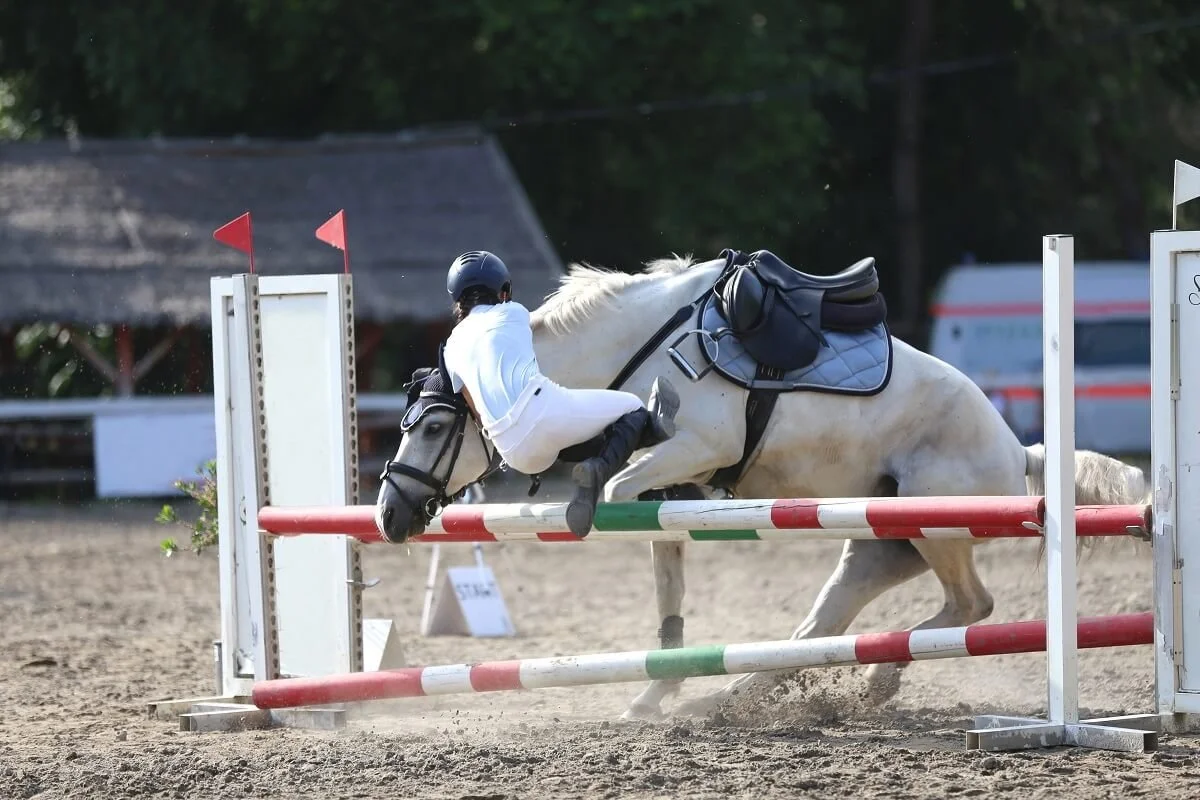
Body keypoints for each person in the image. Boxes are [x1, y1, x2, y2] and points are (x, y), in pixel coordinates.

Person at [440, 250, 680, 536]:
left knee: (586, 434)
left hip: (515, 454)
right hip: (544, 412)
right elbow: (558, 323)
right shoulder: (513, 312)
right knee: (632, 408)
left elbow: (475, 410)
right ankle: (613, 460)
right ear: (503, 291)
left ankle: (641, 437)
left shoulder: (450, 348)